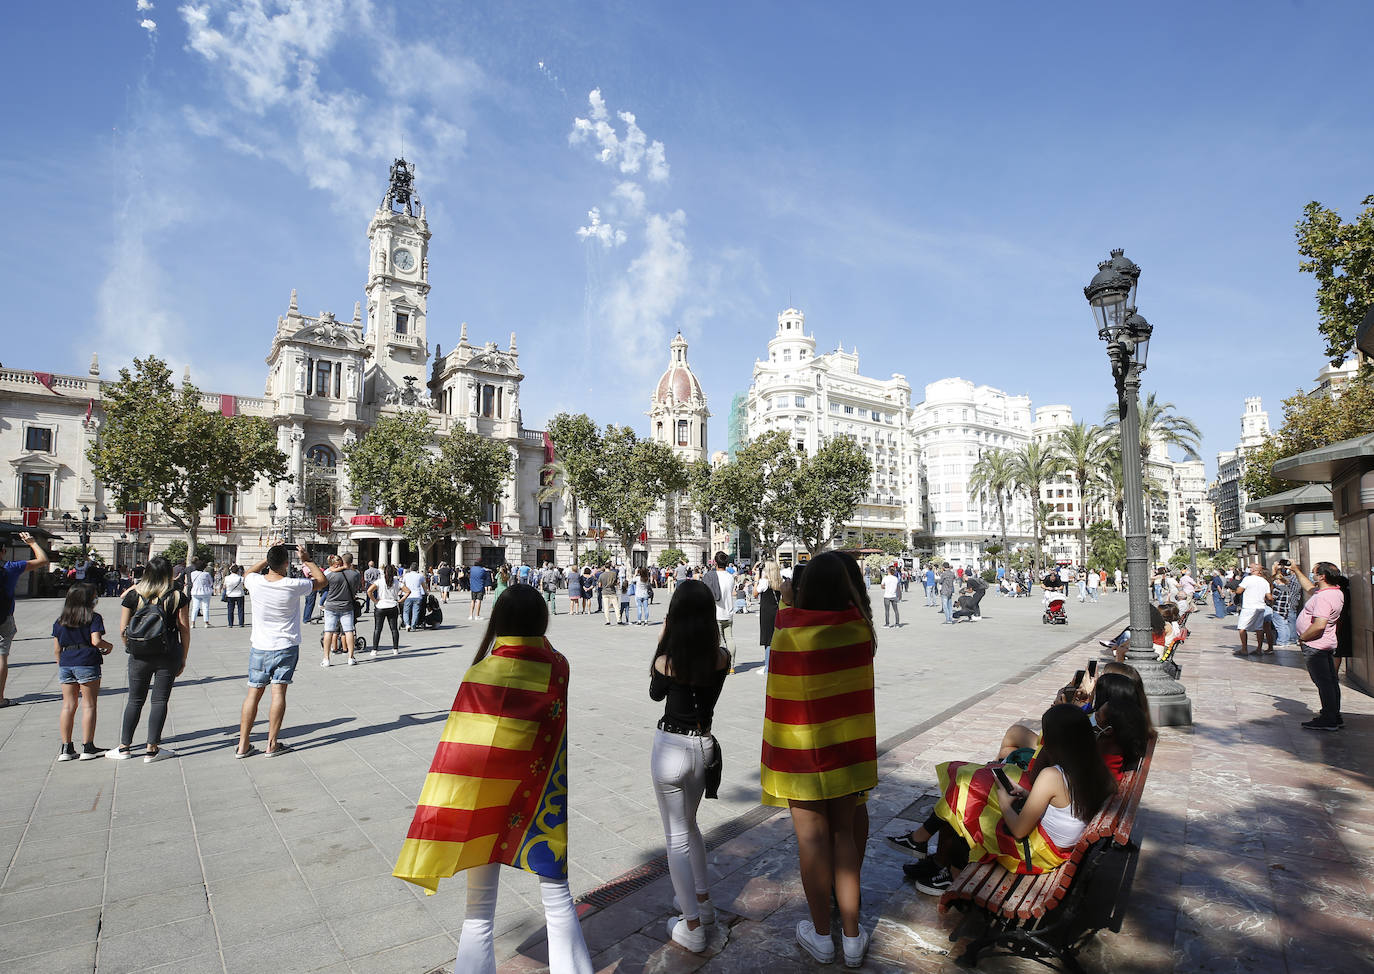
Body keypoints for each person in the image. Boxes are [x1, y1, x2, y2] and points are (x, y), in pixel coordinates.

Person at [393, 585, 593, 974]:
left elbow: (458, 748)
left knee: (478, 910)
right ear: (542, 620)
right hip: (540, 799)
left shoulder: (481, 672)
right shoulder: (558, 667)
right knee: (557, 898)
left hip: (484, 800)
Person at [763, 551, 876, 968]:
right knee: (844, 836)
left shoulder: (787, 628)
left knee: (811, 842)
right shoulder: (860, 629)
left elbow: (788, 615)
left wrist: (791, 596)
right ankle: (852, 937)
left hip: (801, 752)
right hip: (846, 750)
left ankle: (821, 936)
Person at [905, 704, 1116, 895]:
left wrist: (1004, 802)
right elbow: (1063, 805)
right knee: (972, 794)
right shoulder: (1095, 769)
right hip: (1060, 849)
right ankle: (937, 857)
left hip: (1039, 855)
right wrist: (1026, 795)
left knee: (970, 806)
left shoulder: (1052, 776)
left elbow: (1018, 831)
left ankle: (951, 874)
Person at [649, 579, 731, 952]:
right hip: (703, 746)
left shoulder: (668, 661)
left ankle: (692, 925)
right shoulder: (721, 656)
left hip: (671, 746)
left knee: (676, 836)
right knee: (691, 827)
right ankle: (701, 901)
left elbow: (655, 693)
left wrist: (664, 636)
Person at [236, 543, 326, 757]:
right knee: (278, 692)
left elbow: (248, 573)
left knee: (253, 694)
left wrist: (268, 558)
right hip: (286, 646)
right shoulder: (293, 584)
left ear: (269, 563)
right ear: (287, 563)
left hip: (259, 646)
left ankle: (242, 745)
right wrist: (307, 559)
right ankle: (272, 744)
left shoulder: (255, 582)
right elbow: (322, 581)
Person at [111, 556, 191, 762]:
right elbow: (184, 630)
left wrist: (131, 646)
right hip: (168, 653)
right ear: (168, 574)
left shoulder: (133, 595)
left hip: (139, 655)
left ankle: (124, 747)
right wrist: (183, 657)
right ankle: (151, 748)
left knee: (135, 700)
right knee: (160, 700)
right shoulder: (177, 596)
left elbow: (122, 629)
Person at [52, 583, 114, 760]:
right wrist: (108, 646)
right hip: (86, 661)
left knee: (68, 705)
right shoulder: (93, 618)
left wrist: (62, 664)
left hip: (66, 662)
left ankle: (66, 748)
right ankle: (88, 746)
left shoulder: (60, 620)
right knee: (89, 704)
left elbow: (57, 648)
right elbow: (96, 641)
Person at [1293, 561, 1346, 731]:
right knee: (1330, 681)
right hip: (1325, 643)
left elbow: (1319, 625)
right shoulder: (1333, 592)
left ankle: (1328, 718)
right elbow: (1309, 588)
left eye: (1314, 573)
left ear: (1322, 576)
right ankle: (1334, 714)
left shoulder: (1324, 597)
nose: (1312, 575)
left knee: (1324, 682)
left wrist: (1303, 638)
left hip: (1316, 645)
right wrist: (1296, 571)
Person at [0, 531, 50, 708]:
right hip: (4, 617)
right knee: (2, 657)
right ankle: (0, 698)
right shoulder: (10, 567)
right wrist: (32, 542)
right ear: (3, 551)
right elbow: (43, 560)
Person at [320, 555, 361, 667]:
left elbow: (322, 580)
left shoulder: (331, 574)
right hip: (347, 606)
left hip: (331, 606)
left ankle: (326, 659)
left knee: (328, 631)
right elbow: (357, 588)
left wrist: (332, 569)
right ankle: (351, 657)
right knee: (349, 631)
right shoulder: (355, 574)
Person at [1233, 562, 1272, 656]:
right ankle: (1259, 648)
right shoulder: (1264, 581)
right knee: (1259, 628)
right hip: (1260, 607)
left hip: (1249, 607)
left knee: (1242, 627)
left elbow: (1239, 591)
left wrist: (1236, 588)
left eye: (1250, 568)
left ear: (1253, 570)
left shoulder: (1248, 579)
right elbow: (1269, 596)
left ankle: (1244, 649)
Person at [368, 564, 405, 656]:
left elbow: (369, 591)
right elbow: (408, 591)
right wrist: (401, 600)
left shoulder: (379, 581)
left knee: (377, 629)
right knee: (394, 629)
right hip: (392, 605)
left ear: (384, 572)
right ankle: (395, 649)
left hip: (381, 606)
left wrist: (375, 600)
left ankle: (374, 649)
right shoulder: (397, 582)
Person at [757, 561, 781, 676]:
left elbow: (755, 593)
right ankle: (775, 664)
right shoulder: (779, 582)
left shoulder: (764, 582)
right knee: (775, 637)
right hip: (776, 611)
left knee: (767, 639)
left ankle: (767, 666)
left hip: (766, 612)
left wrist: (758, 576)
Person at [188, 559, 214, 628]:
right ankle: (206, 622)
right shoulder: (206, 574)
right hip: (205, 592)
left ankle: (193, 623)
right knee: (205, 607)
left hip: (195, 591)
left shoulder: (192, 574)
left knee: (195, 607)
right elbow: (211, 583)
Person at [402, 564, 427, 632]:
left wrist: (401, 592)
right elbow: (424, 586)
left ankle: (407, 624)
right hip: (417, 595)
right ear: (417, 569)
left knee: (406, 611)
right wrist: (426, 592)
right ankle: (413, 625)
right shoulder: (420, 576)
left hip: (408, 595)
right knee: (416, 611)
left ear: (410, 568)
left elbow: (403, 584)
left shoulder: (406, 575)